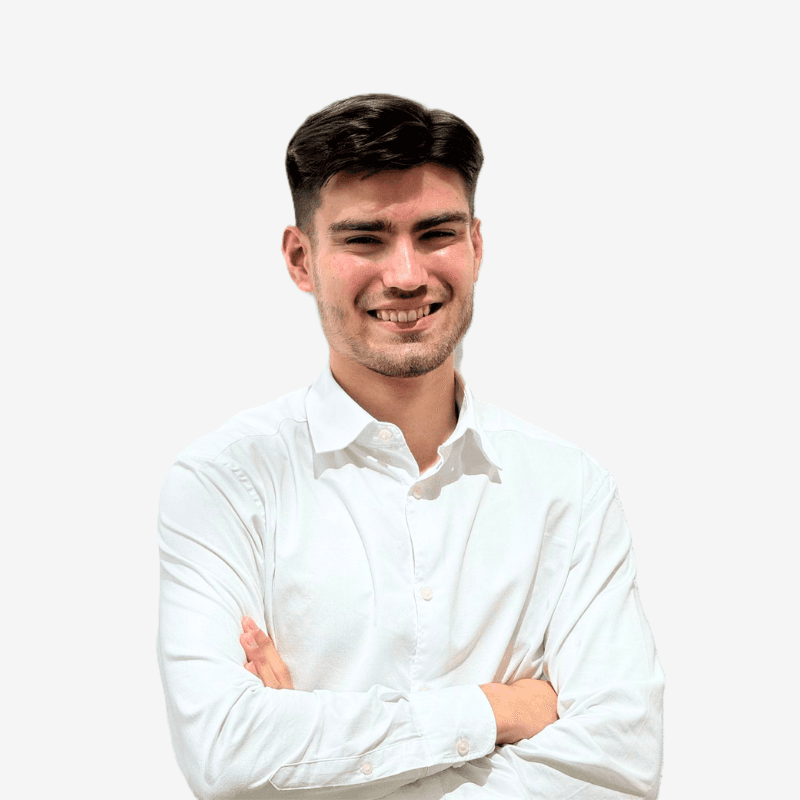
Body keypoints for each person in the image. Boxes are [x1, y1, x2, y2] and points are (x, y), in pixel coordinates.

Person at [157, 93, 664, 799]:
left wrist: (311, 756)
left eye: (435, 234)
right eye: (365, 239)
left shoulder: (568, 490)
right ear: (301, 259)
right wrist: (497, 711)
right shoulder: (224, 484)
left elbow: (618, 768)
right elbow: (225, 752)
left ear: (476, 247)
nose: (405, 275)